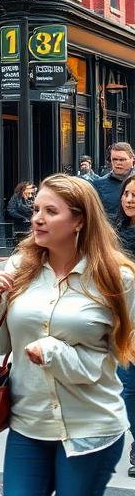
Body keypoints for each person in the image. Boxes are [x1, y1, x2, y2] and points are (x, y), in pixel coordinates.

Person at [0, 175, 135, 496]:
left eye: (51, 211)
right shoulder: (21, 266)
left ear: (80, 220)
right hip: (28, 423)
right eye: (36, 210)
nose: (37, 219)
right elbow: (0, 346)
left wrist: (55, 352)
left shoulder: (118, 278)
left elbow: (120, 357)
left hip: (91, 429)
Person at [114, 173, 135, 477]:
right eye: (127, 194)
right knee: (127, 390)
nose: (130, 199)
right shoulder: (113, 233)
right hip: (124, 325)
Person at [91, 142, 135, 216]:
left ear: (132, 159)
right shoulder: (99, 185)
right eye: (114, 159)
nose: (118, 163)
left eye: (122, 160)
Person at [6, 180, 36, 247]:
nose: (30, 194)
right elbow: (11, 209)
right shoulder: (16, 198)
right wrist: (21, 217)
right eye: (28, 190)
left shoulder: (34, 197)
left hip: (31, 224)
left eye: (32, 191)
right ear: (23, 190)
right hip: (20, 225)